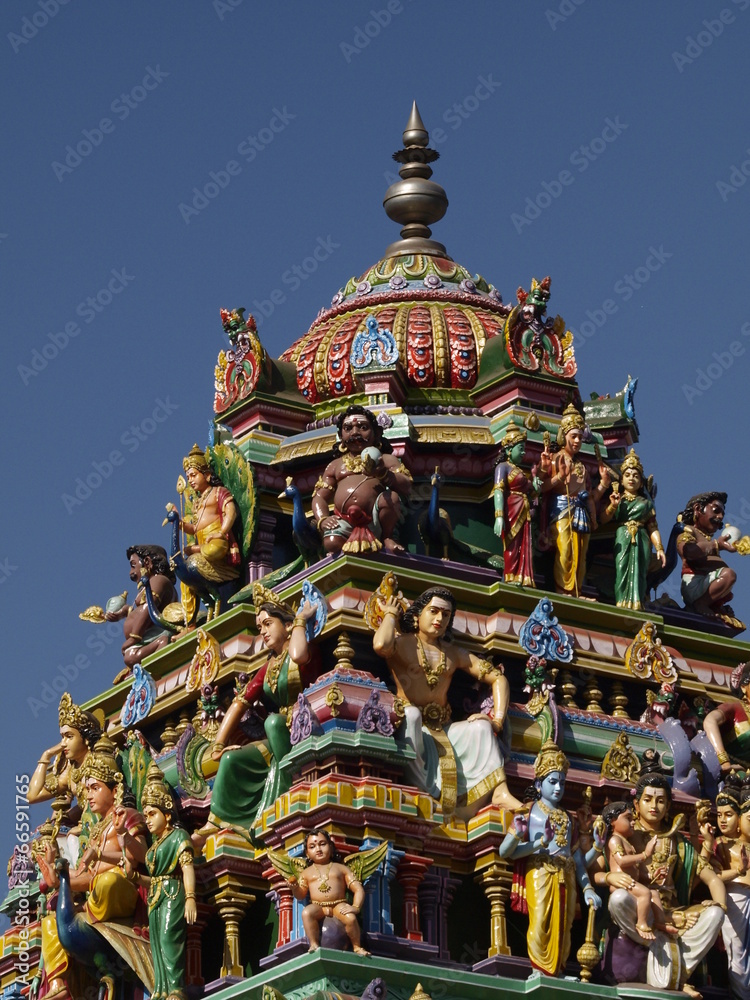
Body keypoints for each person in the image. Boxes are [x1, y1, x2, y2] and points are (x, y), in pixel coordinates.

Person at [372, 586, 521, 819]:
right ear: (418, 614)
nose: (439, 618)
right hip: (413, 727)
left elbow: (498, 677)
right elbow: (381, 645)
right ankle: (420, 792)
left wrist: (497, 721)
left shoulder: (453, 653)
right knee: (411, 716)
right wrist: (391, 614)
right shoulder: (402, 644)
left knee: (481, 727)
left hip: (446, 728)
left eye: (446, 614)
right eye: (433, 611)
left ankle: (499, 792)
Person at [193, 587, 319, 846]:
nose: (262, 631)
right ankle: (221, 821)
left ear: (286, 625)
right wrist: (219, 744)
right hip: (277, 735)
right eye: (259, 626)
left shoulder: (300, 649)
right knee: (230, 759)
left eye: (268, 623)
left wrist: (299, 621)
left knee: (273, 722)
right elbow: (240, 702)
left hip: (305, 725)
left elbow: (298, 655)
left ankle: (285, 788)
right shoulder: (268, 667)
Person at [601, 772, 724, 998]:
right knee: (618, 899)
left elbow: (712, 878)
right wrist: (609, 878)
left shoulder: (677, 841)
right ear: (636, 804)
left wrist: (719, 904)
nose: (654, 806)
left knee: (715, 915)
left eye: (660, 800)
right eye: (647, 800)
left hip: (673, 910)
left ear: (668, 806)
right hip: (641, 911)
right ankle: (675, 976)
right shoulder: (625, 833)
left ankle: (674, 971)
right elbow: (596, 871)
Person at [499, 740, 601, 977]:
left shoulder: (569, 818)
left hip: (566, 875)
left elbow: (577, 860)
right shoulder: (528, 812)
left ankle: (558, 970)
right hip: (541, 872)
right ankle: (540, 970)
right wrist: (539, 843)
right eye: (552, 782)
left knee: (564, 926)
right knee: (540, 923)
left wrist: (588, 882)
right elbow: (507, 852)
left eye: (562, 783)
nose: (558, 788)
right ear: (538, 783)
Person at [128, 764, 196, 1000]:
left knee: (170, 940)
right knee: (156, 945)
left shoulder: (178, 836)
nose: (147, 820)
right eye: (145, 815)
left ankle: (176, 988)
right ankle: (162, 990)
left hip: (174, 893)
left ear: (167, 814)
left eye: (152, 814)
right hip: (157, 897)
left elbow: (187, 867)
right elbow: (153, 880)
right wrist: (135, 877)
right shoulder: (152, 849)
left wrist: (190, 898)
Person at [311, 405, 412, 554]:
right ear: (340, 435)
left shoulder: (386, 459)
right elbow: (319, 496)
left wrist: (384, 474)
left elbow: (407, 486)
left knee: (392, 498)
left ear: (376, 433)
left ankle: (387, 537)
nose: (355, 433)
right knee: (331, 543)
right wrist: (323, 519)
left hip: (375, 519)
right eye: (348, 429)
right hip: (345, 519)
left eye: (363, 427)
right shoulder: (335, 466)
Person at [539, 403, 610, 597]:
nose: (577, 441)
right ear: (564, 436)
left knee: (581, 555)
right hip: (562, 509)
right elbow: (540, 487)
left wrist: (603, 484)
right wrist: (559, 477)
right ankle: (564, 591)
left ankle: (576, 591)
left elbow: (591, 496)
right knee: (566, 551)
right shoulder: (556, 459)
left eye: (580, 436)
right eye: (573, 436)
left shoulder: (582, 467)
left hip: (582, 512)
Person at [168, 444, 241, 623]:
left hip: (217, 542)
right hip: (203, 544)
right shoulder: (197, 503)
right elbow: (194, 528)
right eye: (188, 477)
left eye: (194, 475)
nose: (191, 480)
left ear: (207, 475)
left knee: (199, 556)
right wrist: (179, 522)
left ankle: (200, 551)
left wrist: (221, 532)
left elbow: (231, 512)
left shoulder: (218, 492)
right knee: (184, 573)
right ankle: (190, 622)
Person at [28, 693, 102, 856]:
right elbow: (33, 795)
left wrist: (84, 825)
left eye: (69, 737)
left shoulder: (99, 763)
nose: (63, 743)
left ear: (86, 738)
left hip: (103, 830)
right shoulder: (71, 772)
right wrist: (46, 755)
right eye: (62, 737)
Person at [599, 450, 666, 610]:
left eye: (636, 476)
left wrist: (659, 548)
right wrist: (613, 506)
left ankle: (637, 602)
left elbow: (653, 527)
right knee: (622, 567)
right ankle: (622, 602)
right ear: (621, 480)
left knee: (640, 570)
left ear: (641, 483)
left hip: (642, 537)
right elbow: (603, 519)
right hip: (623, 536)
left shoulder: (646, 504)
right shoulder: (618, 500)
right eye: (627, 475)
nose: (631, 478)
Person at [104, 545, 180, 683]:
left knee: (130, 657)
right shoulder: (151, 584)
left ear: (147, 562)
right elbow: (140, 610)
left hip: (158, 633)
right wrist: (123, 612)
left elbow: (148, 608)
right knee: (130, 656)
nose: (131, 573)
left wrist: (134, 637)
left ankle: (161, 644)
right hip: (147, 637)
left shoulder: (159, 580)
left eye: (133, 566)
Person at [286, 830, 369, 955]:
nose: (318, 849)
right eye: (312, 847)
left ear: (331, 847)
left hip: (338, 904)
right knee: (307, 913)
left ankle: (357, 946)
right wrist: (294, 888)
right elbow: (301, 895)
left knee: (351, 919)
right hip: (319, 906)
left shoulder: (341, 868)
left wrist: (355, 907)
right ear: (307, 854)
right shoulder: (306, 873)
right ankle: (314, 944)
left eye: (322, 844)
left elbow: (358, 889)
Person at [600, 801, 675, 939]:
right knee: (646, 893)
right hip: (622, 883)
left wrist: (654, 875)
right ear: (612, 821)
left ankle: (660, 922)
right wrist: (645, 854)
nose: (633, 822)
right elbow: (621, 860)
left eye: (633, 819)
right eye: (628, 818)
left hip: (631, 883)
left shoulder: (626, 841)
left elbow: (635, 870)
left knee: (654, 894)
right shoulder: (614, 840)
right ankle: (641, 923)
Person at [676, 490, 737, 620]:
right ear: (698, 509)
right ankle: (701, 604)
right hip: (694, 584)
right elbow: (688, 552)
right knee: (729, 575)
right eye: (716, 511)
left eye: (722, 514)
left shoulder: (707, 539)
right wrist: (716, 545)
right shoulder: (688, 531)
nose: (720, 517)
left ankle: (711, 604)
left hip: (706, 584)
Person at [493, 420, 538, 587]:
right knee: (511, 545)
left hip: (523, 510)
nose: (524, 452)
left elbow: (530, 492)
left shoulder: (520, 471)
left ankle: (522, 576)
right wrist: (499, 516)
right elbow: (498, 490)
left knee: (524, 544)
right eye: (521, 448)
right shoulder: (503, 467)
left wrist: (535, 487)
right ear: (509, 450)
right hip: (511, 509)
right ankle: (511, 576)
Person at [703, 662, 750, 773]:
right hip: (734, 774)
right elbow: (710, 721)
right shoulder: (736, 708)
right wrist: (724, 761)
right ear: (743, 687)